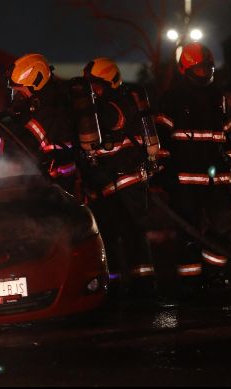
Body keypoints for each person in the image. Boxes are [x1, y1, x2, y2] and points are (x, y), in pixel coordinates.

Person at [155, 42, 231, 295]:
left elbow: (226, 134)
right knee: (187, 233)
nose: (205, 74)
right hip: (185, 180)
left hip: (217, 179)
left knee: (223, 226)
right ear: (186, 69)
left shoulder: (217, 95)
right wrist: (165, 173)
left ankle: (214, 273)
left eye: (208, 69)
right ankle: (190, 281)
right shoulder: (172, 98)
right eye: (200, 70)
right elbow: (162, 138)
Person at [80, 57, 160, 299]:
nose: (92, 90)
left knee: (128, 236)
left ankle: (138, 290)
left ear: (108, 83)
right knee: (120, 236)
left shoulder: (110, 107)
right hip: (117, 183)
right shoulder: (125, 102)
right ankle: (130, 288)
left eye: (96, 85)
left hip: (123, 182)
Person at [0, 53, 80, 197]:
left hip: (56, 192)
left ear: (35, 84)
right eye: (13, 92)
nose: (15, 98)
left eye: (19, 92)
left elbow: (19, 148)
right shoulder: (43, 107)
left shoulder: (48, 112)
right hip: (52, 188)